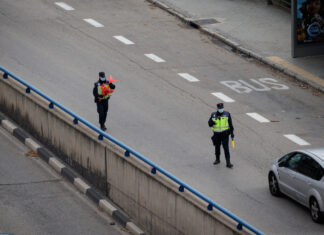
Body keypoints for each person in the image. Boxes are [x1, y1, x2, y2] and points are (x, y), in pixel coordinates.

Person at [208, 103, 234, 168]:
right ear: (217, 108)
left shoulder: (227, 114)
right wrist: (211, 123)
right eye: (219, 108)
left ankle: (228, 163)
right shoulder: (213, 115)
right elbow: (209, 123)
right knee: (217, 147)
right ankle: (217, 159)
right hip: (216, 134)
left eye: (222, 108)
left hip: (225, 134)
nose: (221, 109)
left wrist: (232, 134)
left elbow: (230, 125)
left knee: (226, 149)